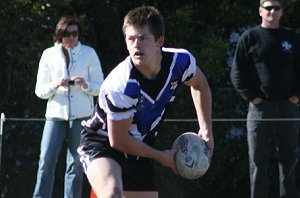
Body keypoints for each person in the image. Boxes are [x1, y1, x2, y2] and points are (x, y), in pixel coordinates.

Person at [77, 5, 214, 198]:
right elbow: (119, 140)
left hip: (138, 147)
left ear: (159, 40)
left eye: (143, 38)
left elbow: (200, 85)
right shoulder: (120, 85)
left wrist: (206, 129)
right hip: (102, 143)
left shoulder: (181, 62)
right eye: (131, 39)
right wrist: (162, 156)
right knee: (111, 194)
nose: (136, 45)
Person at [230, 0, 300, 197]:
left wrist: (296, 97)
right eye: (268, 8)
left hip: (288, 107)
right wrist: (253, 98)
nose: (272, 11)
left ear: (281, 12)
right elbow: (237, 73)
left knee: (289, 160)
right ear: (260, 11)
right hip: (260, 109)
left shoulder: (292, 38)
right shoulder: (249, 37)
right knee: (258, 161)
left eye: (276, 8)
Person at [33, 16, 103, 198]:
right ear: (59, 35)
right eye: (67, 34)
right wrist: (56, 84)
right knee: (46, 160)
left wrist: (85, 84)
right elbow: (40, 91)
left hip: (82, 117)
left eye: (75, 33)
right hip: (55, 116)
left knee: (77, 164)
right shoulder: (48, 54)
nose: (72, 38)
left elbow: (100, 86)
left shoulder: (89, 53)